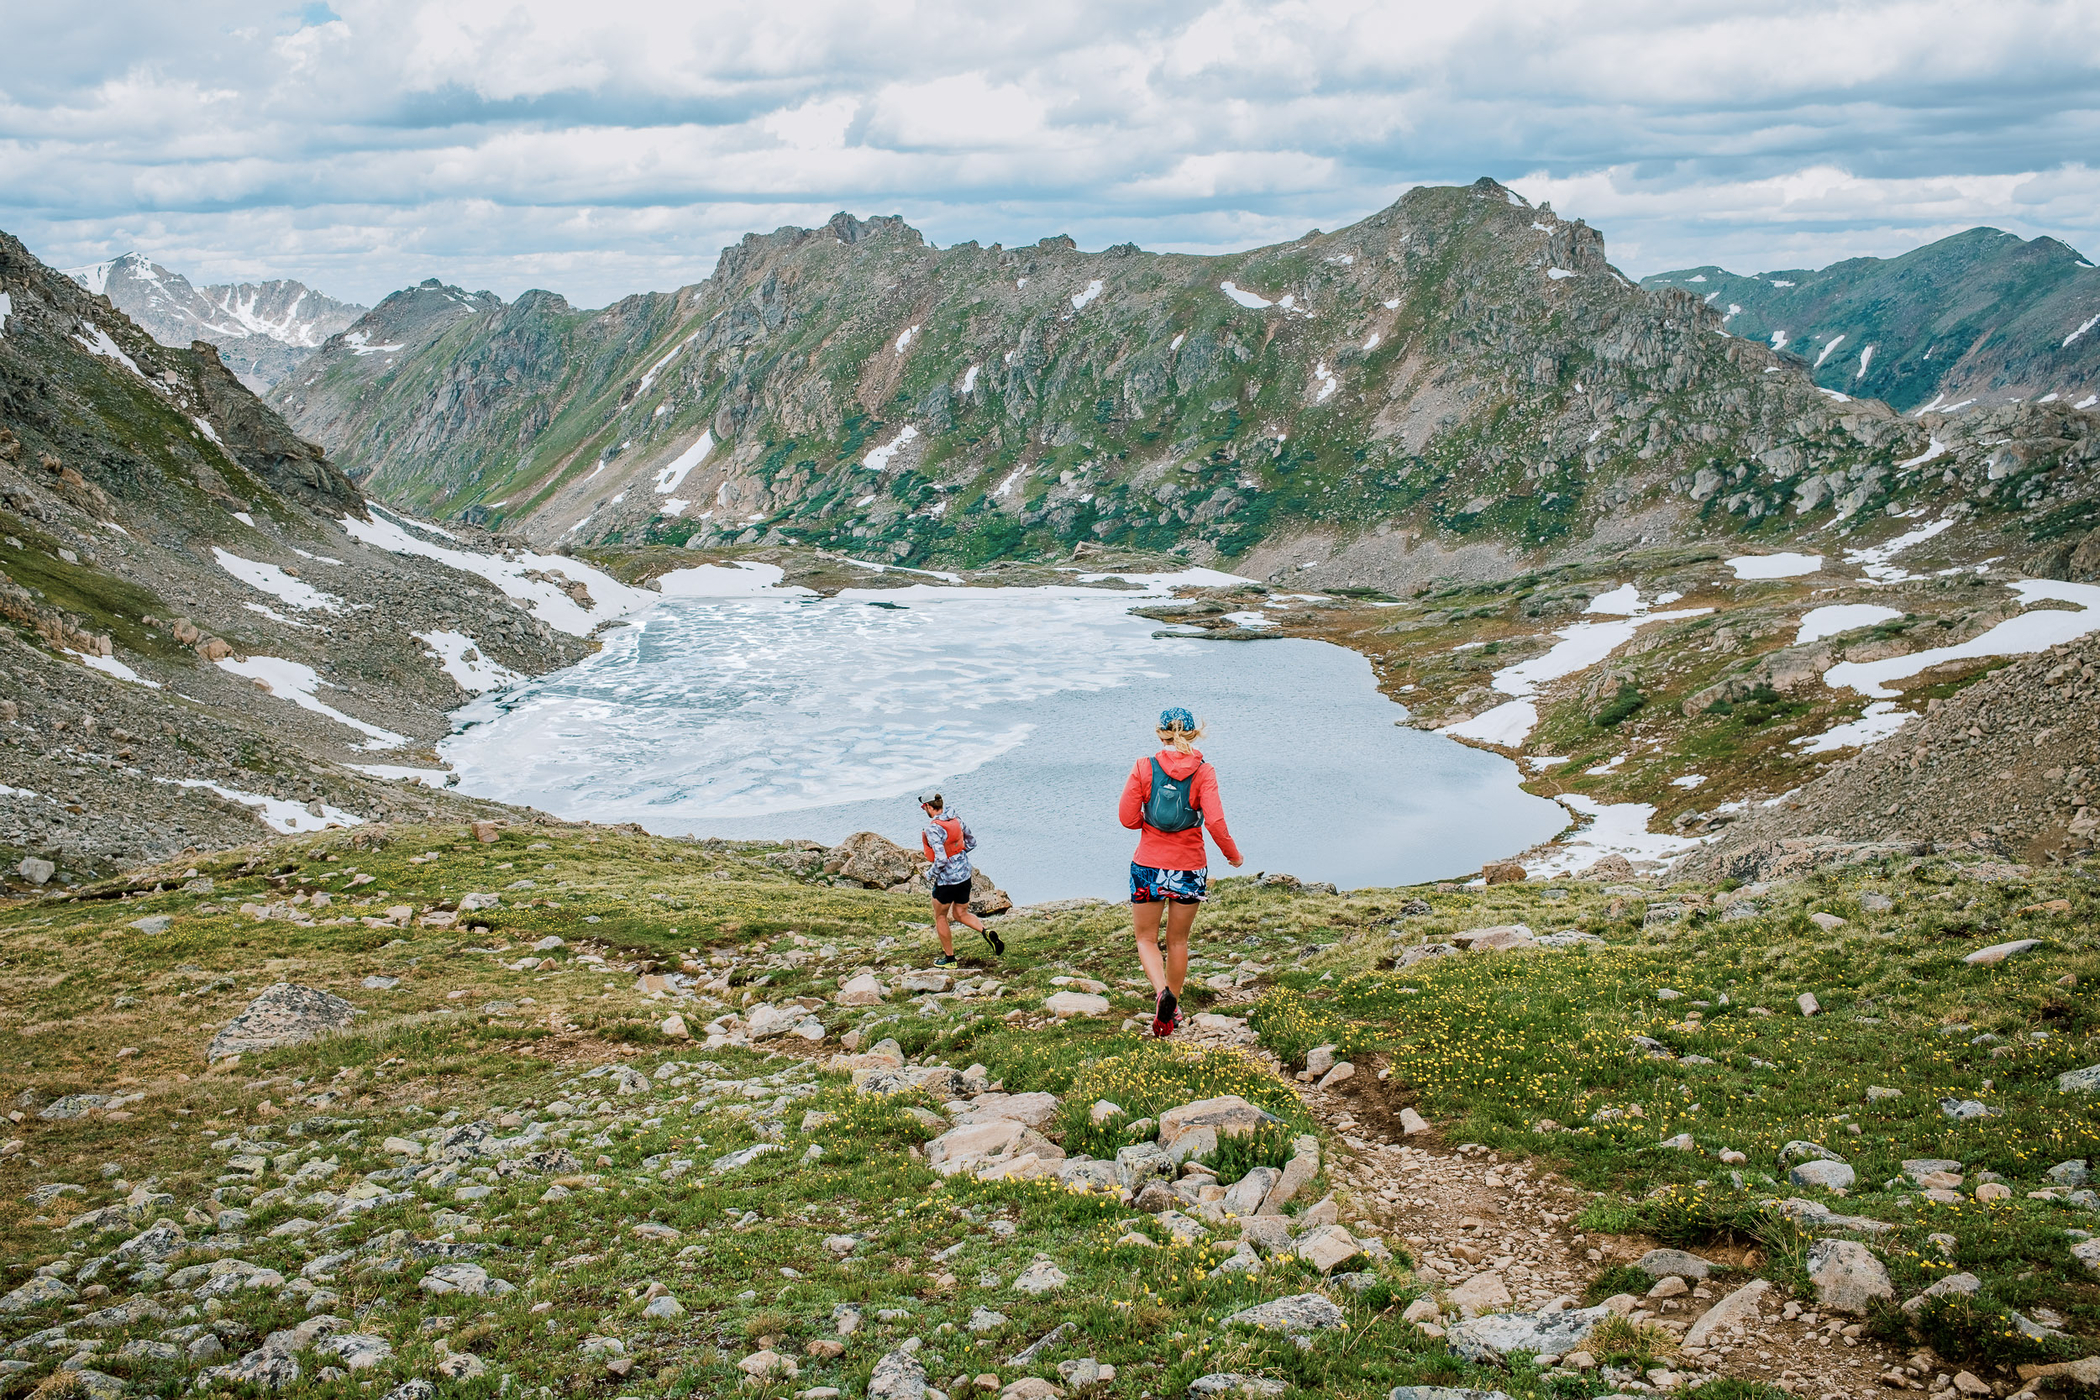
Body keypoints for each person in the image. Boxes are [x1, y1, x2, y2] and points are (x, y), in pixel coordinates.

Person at [1118, 708, 1242, 1037]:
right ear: (1194, 734)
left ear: (1160, 734)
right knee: (1178, 940)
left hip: (1148, 866)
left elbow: (1128, 819)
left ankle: (1162, 994)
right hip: (1189, 867)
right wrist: (1233, 855)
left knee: (1146, 938)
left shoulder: (1144, 767)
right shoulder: (1204, 771)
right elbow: (1214, 822)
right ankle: (1175, 1005)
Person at [918, 789, 1004, 966]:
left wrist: (929, 874)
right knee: (960, 913)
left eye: (923, 807)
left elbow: (941, 859)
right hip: (964, 875)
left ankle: (950, 960)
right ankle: (985, 931)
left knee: (940, 917)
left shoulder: (933, 829)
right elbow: (971, 843)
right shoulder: (956, 819)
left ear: (927, 806)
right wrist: (958, 856)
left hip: (947, 881)